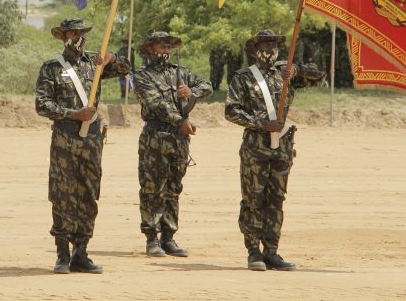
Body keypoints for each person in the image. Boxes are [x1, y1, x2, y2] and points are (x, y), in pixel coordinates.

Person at [35, 17, 130, 274]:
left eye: (80, 32)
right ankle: (62, 255)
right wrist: (74, 114)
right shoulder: (52, 68)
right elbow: (42, 105)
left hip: (92, 139)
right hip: (65, 137)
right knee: (62, 194)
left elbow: (126, 68)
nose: (77, 36)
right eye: (72, 33)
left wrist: (111, 58)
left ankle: (81, 252)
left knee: (88, 192)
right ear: (63, 36)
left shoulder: (94, 64)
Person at [225, 29, 325, 272]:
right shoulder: (243, 78)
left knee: (276, 200)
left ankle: (271, 251)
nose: (270, 49)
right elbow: (231, 111)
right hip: (255, 148)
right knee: (253, 199)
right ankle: (253, 252)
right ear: (254, 50)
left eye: (274, 45)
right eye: (265, 45)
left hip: (282, 147)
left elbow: (319, 75)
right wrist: (261, 123)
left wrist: (297, 70)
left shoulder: (285, 73)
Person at [133, 31, 213, 258]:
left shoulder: (181, 72)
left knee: (173, 188)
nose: (166, 51)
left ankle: (168, 237)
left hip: (179, 139)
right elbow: (156, 104)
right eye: (162, 47)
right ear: (151, 49)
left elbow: (207, 86)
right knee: (152, 188)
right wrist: (181, 121)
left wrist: (192, 91)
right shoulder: (142, 76)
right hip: (155, 137)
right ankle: (151, 238)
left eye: (169, 47)